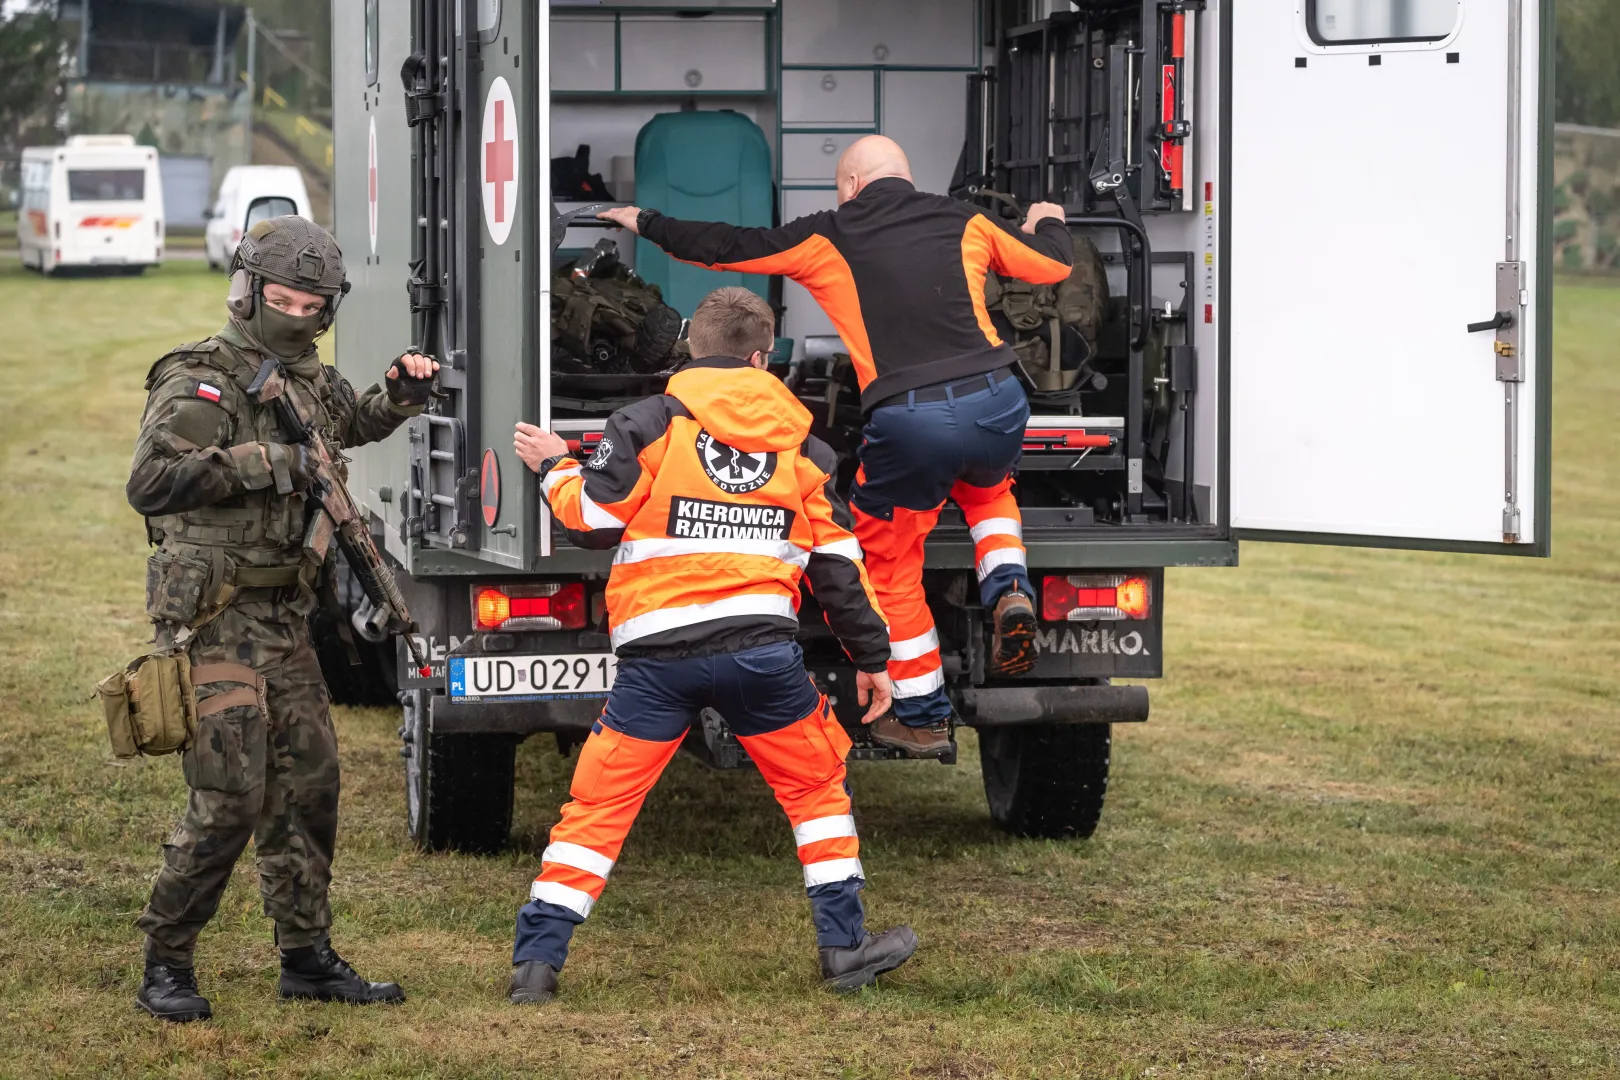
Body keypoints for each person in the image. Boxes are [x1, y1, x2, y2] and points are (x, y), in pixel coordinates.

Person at [598, 135, 1074, 760]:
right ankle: (1009, 586)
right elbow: (1052, 267)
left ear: (849, 186)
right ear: (907, 176)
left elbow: (727, 247)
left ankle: (925, 717)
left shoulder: (830, 232)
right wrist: (1049, 221)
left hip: (912, 418)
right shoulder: (966, 217)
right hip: (998, 398)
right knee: (989, 493)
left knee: (891, 565)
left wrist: (646, 221)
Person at [508, 286, 917, 1001]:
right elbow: (839, 570)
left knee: (597, 813)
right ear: (763, 358)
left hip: (655, 665)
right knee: (817, 792)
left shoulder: (646, 422)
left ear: (691, 347)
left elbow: (594, 518)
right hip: (764, 659)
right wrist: (874, 661)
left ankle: (536, 969)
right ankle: (846, 950)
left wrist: (553, 465)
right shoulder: (805, 447)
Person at [125, 216, 439, 1023]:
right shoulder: (202, 378)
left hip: (286, 621)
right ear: (249, 290)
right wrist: (269, 463)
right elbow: (152, 482)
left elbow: (351, 422)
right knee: (230, 795)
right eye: (285, 299)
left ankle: (305, 956)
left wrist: (399, 397)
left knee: (309, 788)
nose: (298, 314)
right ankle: (167, 959)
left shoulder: (307, 377)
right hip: (214, 621)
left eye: (314, 303)